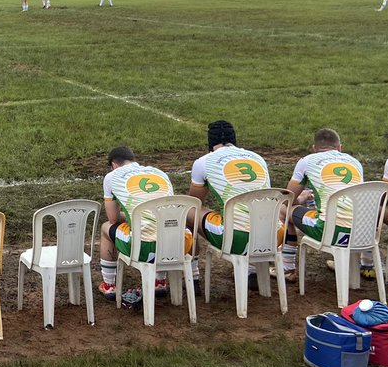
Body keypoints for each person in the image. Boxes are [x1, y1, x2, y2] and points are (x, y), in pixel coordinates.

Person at [99, 146, 188, 299]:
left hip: (145, 247)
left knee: (106, 227)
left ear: (114, 164)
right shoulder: (159, 173)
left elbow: (113, 218)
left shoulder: (112, 176)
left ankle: (109, 285)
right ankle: (159, 281)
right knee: (163, 227)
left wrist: (134, 215)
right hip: (180, 244)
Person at [282, 128, 367, 277]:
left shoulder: (307, 161)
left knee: (283, 209)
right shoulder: (355, 163)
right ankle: (365, 263)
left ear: (314, 149)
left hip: (331, 232)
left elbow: (288, 198)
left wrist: (302, 198)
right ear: (340, 147)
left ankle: (287, 268)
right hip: (362, 232)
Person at [189, 120, 275, 259]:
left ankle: (193, 273)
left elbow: (194, 201)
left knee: (189, 210)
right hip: (274, 234)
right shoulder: (257, 157)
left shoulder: (203, 162)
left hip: (237, 239)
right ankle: (253, 269)